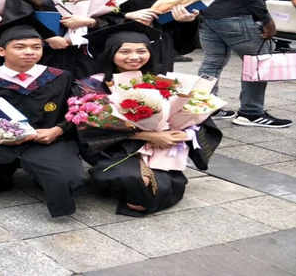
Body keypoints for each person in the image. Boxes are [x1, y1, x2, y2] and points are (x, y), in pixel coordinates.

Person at [76, 21, 222, 216]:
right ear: (111, 53)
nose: (134, 57)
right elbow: (88, 129)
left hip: (158, 149)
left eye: (141, 51)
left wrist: (185, 133)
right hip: (113, 149)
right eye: (125, 52)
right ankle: (112, 176)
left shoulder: (160, 81)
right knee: (137, 188)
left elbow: (196, 118)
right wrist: (147, 135)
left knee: (147, 199)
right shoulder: (92, 84)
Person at [0, 16, 84, 218]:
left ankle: (42, 175)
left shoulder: (60, 77)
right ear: (1, 51)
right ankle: (2, 171)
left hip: (48, 141)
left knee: (69, 178)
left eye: (36, 47)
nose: (29, 52)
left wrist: (57, 130)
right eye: (20, 47)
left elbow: (76, 111)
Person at [184, 0, 292, 128]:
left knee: (212, 62)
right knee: (257, 63)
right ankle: (251, 113)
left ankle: (206, 106)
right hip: (238, 16)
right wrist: (267, 20)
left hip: (208, 17)